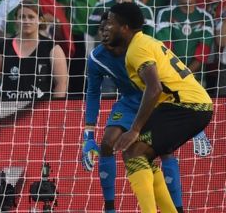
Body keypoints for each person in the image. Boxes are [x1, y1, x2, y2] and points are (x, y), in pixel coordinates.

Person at [82, 11, 211, 213]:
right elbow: (92, 92)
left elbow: (161, 85)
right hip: (131, 101)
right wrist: (88, 133)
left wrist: (192, 126)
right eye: (102, 29)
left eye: (110, 27)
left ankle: (177, 208)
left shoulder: (136, 48)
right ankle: (110, 208)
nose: (105, 33)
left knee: (159, 151)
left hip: (157, 101)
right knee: (108, 142)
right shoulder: (97, 58)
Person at [0, 0, 67, 100]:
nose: (26, 21)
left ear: (40, 20)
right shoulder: (3, 47)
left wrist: (54, 110)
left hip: (41, 110)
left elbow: (62, 82)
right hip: (8, 110)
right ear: (16, 19)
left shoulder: (52, 48)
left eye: (31, 17)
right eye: (22, 17)